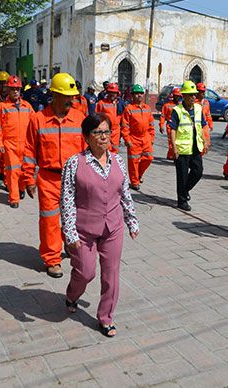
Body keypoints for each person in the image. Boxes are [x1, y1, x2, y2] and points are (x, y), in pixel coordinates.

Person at [61, 113, 139, 338]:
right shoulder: (75, 163)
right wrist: (70, 231)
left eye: (106, 131)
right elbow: (66, 198)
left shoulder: (118, 161)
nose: (103, 137)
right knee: (85, 272)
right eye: (97, 132)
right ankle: (72, 295)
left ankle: (105, 317)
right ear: (87, 136)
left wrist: (131, 220)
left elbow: (124, 193)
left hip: (112, 227)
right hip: (83, 230)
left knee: (111, 274)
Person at [22, 73, 87, 278]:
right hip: (48, 178)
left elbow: (87, 151)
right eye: (67, 96)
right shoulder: (38, 120)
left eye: (73, 96)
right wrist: (28, 178)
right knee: (49, 219)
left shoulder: (80, 118)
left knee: (74, 218)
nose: (71, 100)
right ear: (54, 95)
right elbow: (30, 151)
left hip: (74, 179)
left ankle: (68, 242)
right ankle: (52, 259)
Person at [0, 75, 34, 208]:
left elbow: (35, 123)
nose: (15, 91)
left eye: (17, 89)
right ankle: (13, 198)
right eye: (12, 89)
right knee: (12, 172)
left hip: (26, 144)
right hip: (10, 145)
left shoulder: (27, 106)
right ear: (8, 90)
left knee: (23, 171)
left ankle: (21, 188)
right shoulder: (2, 106)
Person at [169, 81, 207, 211]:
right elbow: (172, 129)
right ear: (183, 96)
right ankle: (182, 201)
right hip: (182, 149)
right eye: (190, 95)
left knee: (198, 172)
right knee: (182, 176)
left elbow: (200, 126)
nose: (193, 97)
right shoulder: (177, 111)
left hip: (195, 147)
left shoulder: (198, 108)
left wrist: (204, 140)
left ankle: (185, 191)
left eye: (194, 95)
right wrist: (174, 148)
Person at [121, 84, 155, 191]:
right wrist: (127, 139)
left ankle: (139, 175)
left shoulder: (147, 108)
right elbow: (125, 126)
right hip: (134, 139)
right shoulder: (128, 109)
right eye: (136, 93)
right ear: (132, 95)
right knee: (133, 162)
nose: (139, 95)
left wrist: (152, 138)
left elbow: (151, 125)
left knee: (149, 158)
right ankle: (134, 182)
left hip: (146, 138)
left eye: (140, 93)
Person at [95, 83, 122, 153]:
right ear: (107, 92)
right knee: (105, 149)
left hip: (116, 131)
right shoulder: (101, 103)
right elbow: (96, 117)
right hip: (105, 130)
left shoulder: (119, 104)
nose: (112, 94)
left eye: (114, 93)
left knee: (115, 150)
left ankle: (113, 163)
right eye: (111, 92)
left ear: (117, 93)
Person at [159, 87, 182, 160]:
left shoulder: (181, 105)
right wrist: (161, 125)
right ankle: (173, 156)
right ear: (173, 96)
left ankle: (170, 155)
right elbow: (163, 116)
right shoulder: (167, 105)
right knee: (171, 141)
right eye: (176, 95)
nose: (177, 97)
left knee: (178, 142)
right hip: (170, 125)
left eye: (179, 96)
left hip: (179, 126)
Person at [195, 83, 214, 153]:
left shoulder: (206, 102)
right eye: (201, 91)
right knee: (198, 144)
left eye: (203, 91)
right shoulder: (193, 102)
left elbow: (208, 114)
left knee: (206, 144)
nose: (203, 93)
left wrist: (210, 124)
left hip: (205, 125)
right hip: (197, 125)